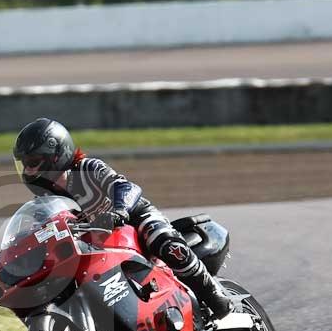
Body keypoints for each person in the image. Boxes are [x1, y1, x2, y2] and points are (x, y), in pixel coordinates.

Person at [13, 117, 233, 319]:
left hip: (134, 220)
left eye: (33, 162)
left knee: (162, 242)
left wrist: (119, 211)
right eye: (24, 164)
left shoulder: (88, 169)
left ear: (55, 154)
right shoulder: (48, 197)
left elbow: (125, 186)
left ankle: (214, 296)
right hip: (101, 243)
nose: (29, 171)